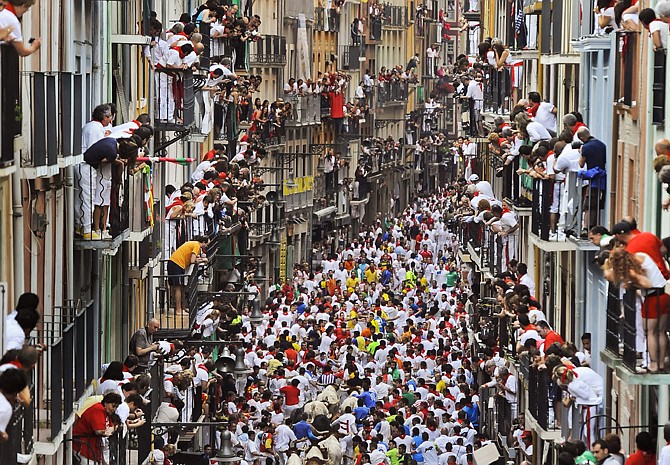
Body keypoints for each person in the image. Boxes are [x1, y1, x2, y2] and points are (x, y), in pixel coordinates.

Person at [72, 392, 122, 464]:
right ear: (106, 403)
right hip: (82, 445)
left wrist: (111, 430)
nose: (114, 409)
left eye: (116, 407)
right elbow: (98, 430)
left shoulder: (106, 412)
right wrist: (106, 432)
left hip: (92, 447)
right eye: (113, 406)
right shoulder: (98, 409)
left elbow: (111, 426)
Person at [168, 236, 209, 314]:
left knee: (181, 287)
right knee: (177, 287)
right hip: (177, 264)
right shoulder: (197, 245)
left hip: (177, 263)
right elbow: (192, 260)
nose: (206, 246)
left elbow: (192, 257)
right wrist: (203, 260)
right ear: (203, 242)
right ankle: (178, 310)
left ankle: (182, 308)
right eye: (207, 244)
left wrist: (199, 259)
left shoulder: (193, 244)